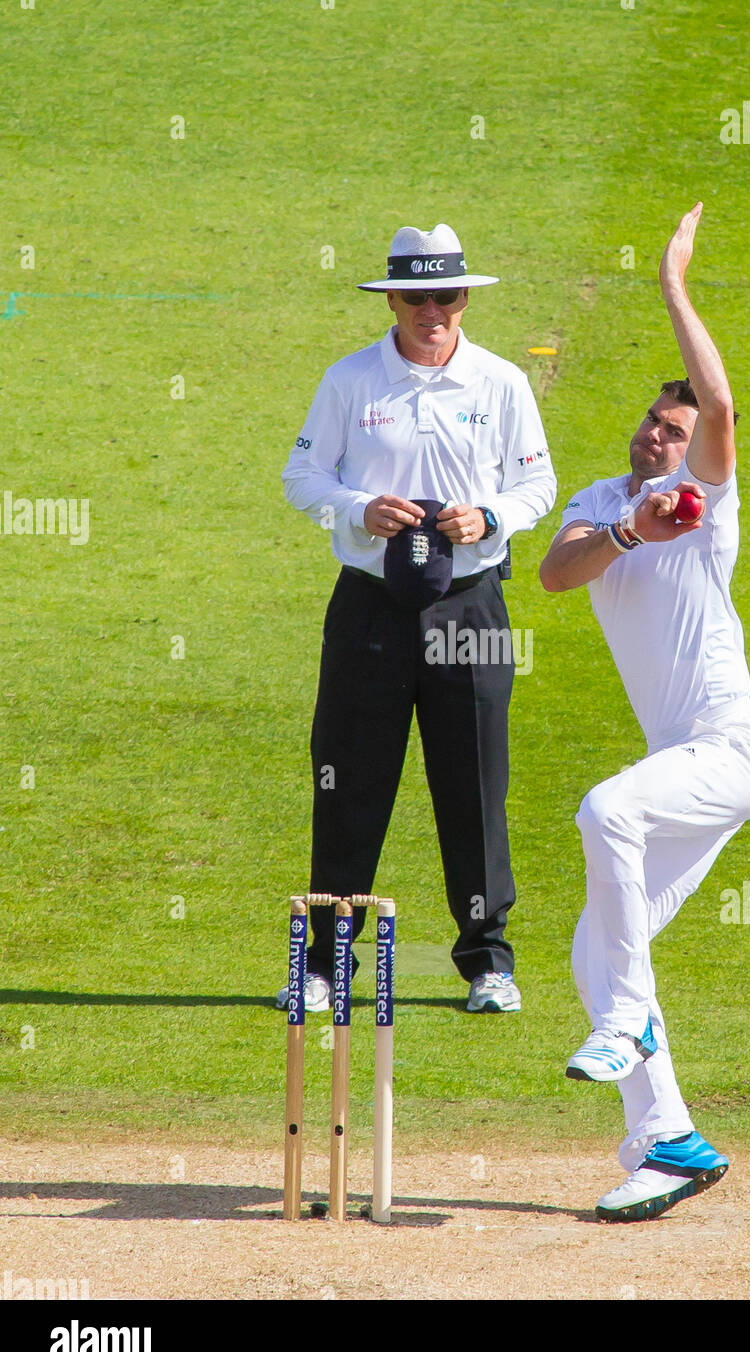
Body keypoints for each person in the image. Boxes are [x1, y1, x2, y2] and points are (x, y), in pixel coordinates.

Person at [539, 203, 750, 1220]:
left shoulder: (707, 501)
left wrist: (673, 285)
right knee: (591, 950)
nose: (655, 433)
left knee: (607, 809)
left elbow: (721, 404)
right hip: (683, 761)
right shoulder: (605, 499)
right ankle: (668, 1140)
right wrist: (631, 531)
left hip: (731, 750)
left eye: (671, 431)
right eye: (651, 419)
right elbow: (556, 574)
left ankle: (630, 1017)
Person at [280, 223, 556, 1014]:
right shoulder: (350, 379)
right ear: (392, 300)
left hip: (470, 605)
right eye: (416, 296)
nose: (432, 311)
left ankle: (488, 962)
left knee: (474, 784)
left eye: (446, 296)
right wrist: (359, 507)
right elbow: (301, 475)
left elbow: (537, 485)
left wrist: (490, 517)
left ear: (465, 298)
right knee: (348, 781)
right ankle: (326, 964)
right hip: (369, 607)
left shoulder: (501, 382)